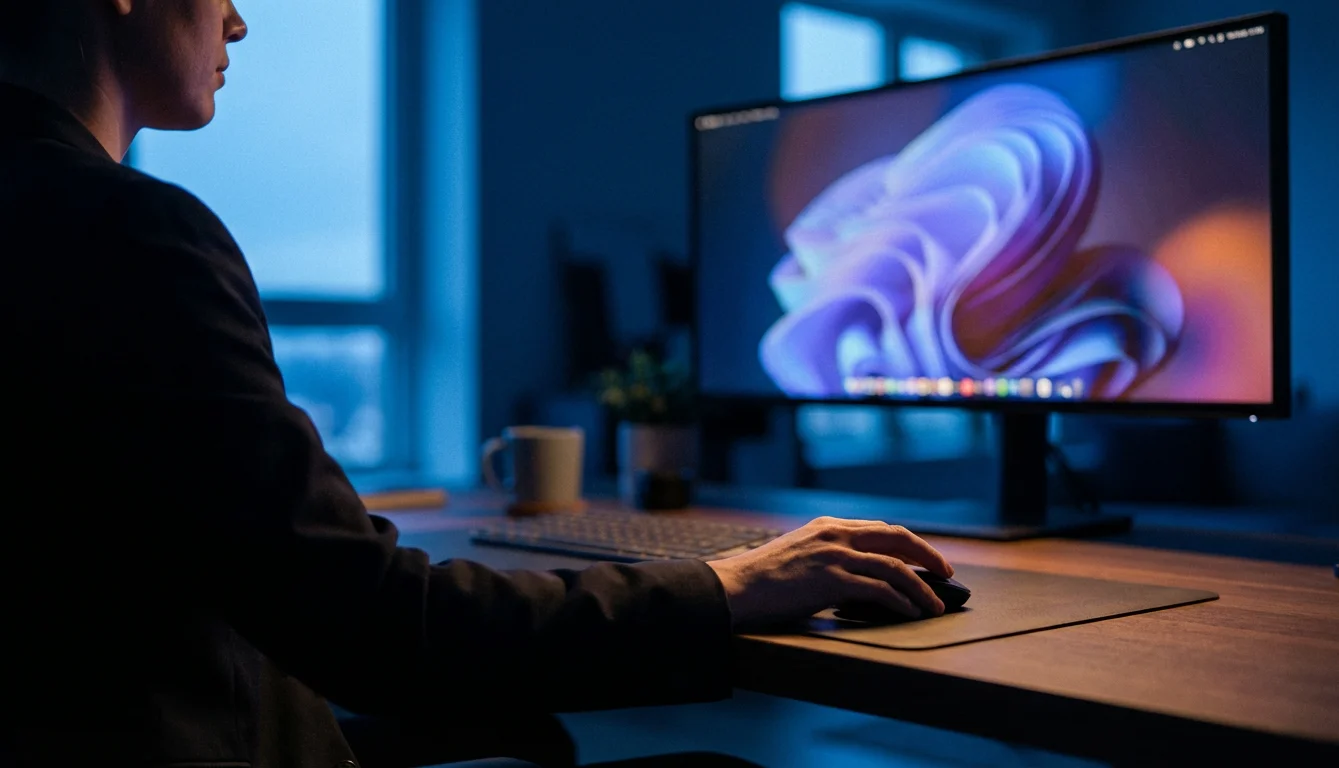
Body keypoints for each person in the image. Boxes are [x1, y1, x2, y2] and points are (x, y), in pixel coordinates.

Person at [0, 1, 954, 767]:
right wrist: (725, 584)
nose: (239, 22)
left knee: (527, 734)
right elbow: (378, 629)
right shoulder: (129, 233)